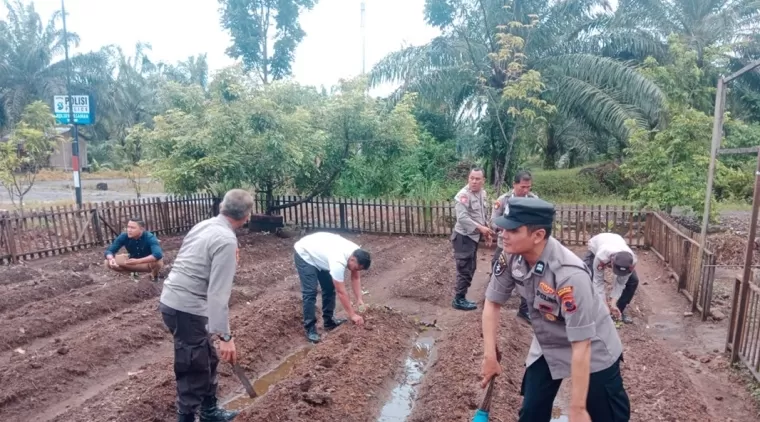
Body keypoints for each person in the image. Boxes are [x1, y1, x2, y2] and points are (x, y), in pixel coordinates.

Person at [481, 197, 630, 422]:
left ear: (538, 235)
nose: (503, 233)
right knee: (531, 413)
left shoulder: (569, 275)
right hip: (548, 341)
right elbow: (492, 303)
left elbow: (582, 344)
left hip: (592, 346)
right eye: (504, 227)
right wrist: (489, 356)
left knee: (604, 416)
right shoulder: (510, 257)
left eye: (513, 229)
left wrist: (577, 408)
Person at [159, 189, 253, 422]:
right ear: (247, 215)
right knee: (193, 368)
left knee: (206, 358)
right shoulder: (226, 240)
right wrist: (225, 337)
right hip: (186, 308)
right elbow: (218, 294)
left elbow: (194, 261)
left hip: (174, 301)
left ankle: (210, 412)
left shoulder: (205, 225)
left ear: (223, 207)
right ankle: (187, 418)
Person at [293, 231, 372, 343]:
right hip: (305, 253)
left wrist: (359, 299)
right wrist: (352, 315)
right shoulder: (338, 261)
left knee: (329, 288)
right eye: (357, 268)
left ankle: (329, 321)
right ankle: (310, 329)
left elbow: (355, 278)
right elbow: (341, 291)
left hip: (322, 253)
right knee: (310, 292)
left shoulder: (356, 253)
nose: (356, 271)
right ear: (352, 259)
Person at [491, 170, 537, 322]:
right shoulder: (503, 200)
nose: (525, 190)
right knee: (498, 270)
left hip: (525, 246)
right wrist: (507, 228)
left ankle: (525, 310)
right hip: (505, 244)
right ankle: (492, 302)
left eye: (528, 187)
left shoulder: (533, 200)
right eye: (522, 187)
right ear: (514, 184)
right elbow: (494, 221)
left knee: (528, 276)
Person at [451, 168, 493, 311]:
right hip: (463, 237)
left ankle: (461, 297)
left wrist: (486, 232)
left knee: (471, 267)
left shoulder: (482, 193)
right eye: (472, 178)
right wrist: (481, 229)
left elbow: (482, 214)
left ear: (483, 181)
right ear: (468, 179)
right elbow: (462, 218)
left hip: (472, 237)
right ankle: (459, 299)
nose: (474, 181)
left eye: (477, 179)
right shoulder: (463, 195)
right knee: (465, 268)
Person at [584, 232, 639, 324]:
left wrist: (612, 304)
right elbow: (598, 282)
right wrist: (604, 305)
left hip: (616, 241)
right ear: (612, 262)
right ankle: (590, 309)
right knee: (586, 276)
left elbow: (620, 283)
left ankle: (618, 309)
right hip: (597, 244)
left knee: (633, 281)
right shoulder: (601, 256)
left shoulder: (632, 261)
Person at [104, 217, 164, 281]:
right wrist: (111, 259)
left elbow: (158, 254)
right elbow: (109, 251)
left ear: (141, 229)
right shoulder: (124, 236)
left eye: (132, 228)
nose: (129, 230)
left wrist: (138, 261)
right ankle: (134, 277)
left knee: (158, 262)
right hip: (132, 261)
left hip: (147, 263)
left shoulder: (150, 237)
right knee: (107, 262)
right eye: (128, 227)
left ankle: (154, 276)